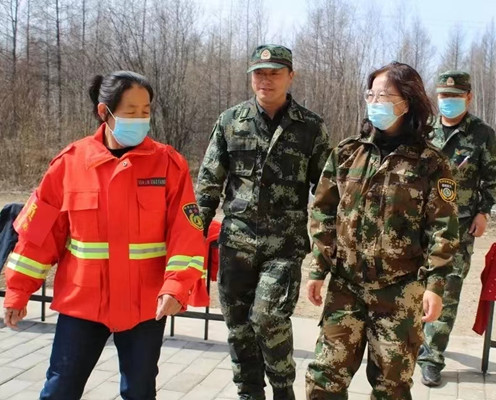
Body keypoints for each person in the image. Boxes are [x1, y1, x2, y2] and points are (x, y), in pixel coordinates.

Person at [2, 71, 208, 400]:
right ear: (104, 112)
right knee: (59, 389)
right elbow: (38, 236)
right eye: (131, 111)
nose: (140, 119)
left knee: (140, 392)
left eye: (146, 111)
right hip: (82, 303)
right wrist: (17, 291)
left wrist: (176, 286)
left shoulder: (169, 164)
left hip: (145, 305)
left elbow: (186, 233)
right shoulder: (69, 164)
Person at [305, 62, 459, 400]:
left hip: (399, 291)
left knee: (392, 388)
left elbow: (443, 229)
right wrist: (318, 268)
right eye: (371, 95)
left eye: (384, 96)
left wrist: (435, 286)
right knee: (324, 379)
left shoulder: (430, 162)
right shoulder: (347, 153)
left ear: (407, 101)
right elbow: (324, 212)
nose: (375, 102)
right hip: (346, 286)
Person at [195, 44, 330, 400]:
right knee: (239, 326)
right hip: (236, 245)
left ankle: (283, 389)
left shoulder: (311, 127)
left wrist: (326, 244)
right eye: (259, 73)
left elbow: (326, 192)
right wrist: (193, 236)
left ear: (290, 76)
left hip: (283, 247)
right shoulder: (230, 121)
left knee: (268, 317)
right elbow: (208, 184)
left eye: (274, 73)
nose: (266, 80)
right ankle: (249, 392)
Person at [418, 70, 496, 386]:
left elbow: (494, 179)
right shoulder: (424, 129)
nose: (449, 101)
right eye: (444, 95)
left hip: (458, 226)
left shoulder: (482, 134)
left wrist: (484, 212)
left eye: (455, 96)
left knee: (447, 291)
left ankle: (432, 359)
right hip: (418, 224)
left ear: (468, 97)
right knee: (413, 286)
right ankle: (411, 344)